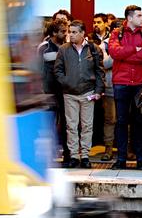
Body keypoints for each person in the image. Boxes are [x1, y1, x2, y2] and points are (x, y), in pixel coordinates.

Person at [54, 20, 106, 169]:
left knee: (87, 126)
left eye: (74, 32)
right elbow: (57, 70)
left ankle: (85, 156)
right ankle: (74, 156)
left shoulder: (94, 49)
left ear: (83, 33)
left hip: (88, 92)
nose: (71, 35)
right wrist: (66, 82)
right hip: (69, 93)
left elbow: (99, 71)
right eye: (70, 32)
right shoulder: (64, 49)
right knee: (71, 126)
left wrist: (98, 90)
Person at [109, 5, 142, 170]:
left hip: (139, 83)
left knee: (139, 122)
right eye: (139, 15)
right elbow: (114, 52)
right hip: (121, 82)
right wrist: (134, 49)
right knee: (121, 122)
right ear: (129, 18)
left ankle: (140, 159)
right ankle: (121, 158)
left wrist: (126, 54)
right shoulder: (117, 33)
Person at [38, 19, 70, 166]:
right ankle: (49, 155)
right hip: (49, 91)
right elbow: (39, 71)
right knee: (49, 124)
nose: (66, 34)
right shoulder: (43, 48)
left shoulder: (68, 47)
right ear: (54, 33)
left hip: (64, 90)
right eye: (63, 32)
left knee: (66, 123)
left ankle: (67, 154)